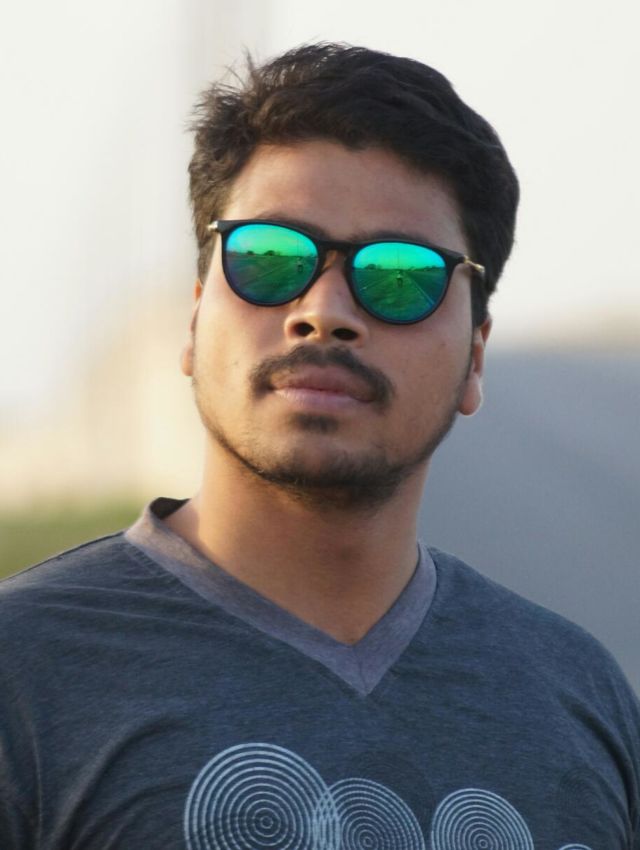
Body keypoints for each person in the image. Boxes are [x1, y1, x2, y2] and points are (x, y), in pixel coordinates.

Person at [1, 42, 638, 850]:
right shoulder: (26, 673)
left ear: (475, 358)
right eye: (270, 259)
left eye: (401, 275)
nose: (324, 311)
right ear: (195, 321)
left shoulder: (581, 697)